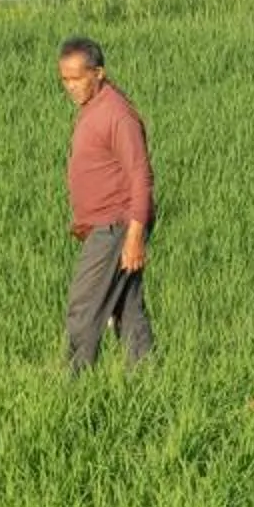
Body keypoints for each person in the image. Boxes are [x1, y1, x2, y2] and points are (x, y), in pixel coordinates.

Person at [56, 36, 154, 371]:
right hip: (106, 226)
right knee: (126, 306)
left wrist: (134, 236)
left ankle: (75, 383)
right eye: (65, 79)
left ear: (98, 73)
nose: (70, 86)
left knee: (84, 307)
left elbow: (140, 175)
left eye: (77, 78)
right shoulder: (93, 107)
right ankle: (145, 379)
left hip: (115, 227)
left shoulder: (117, 115)